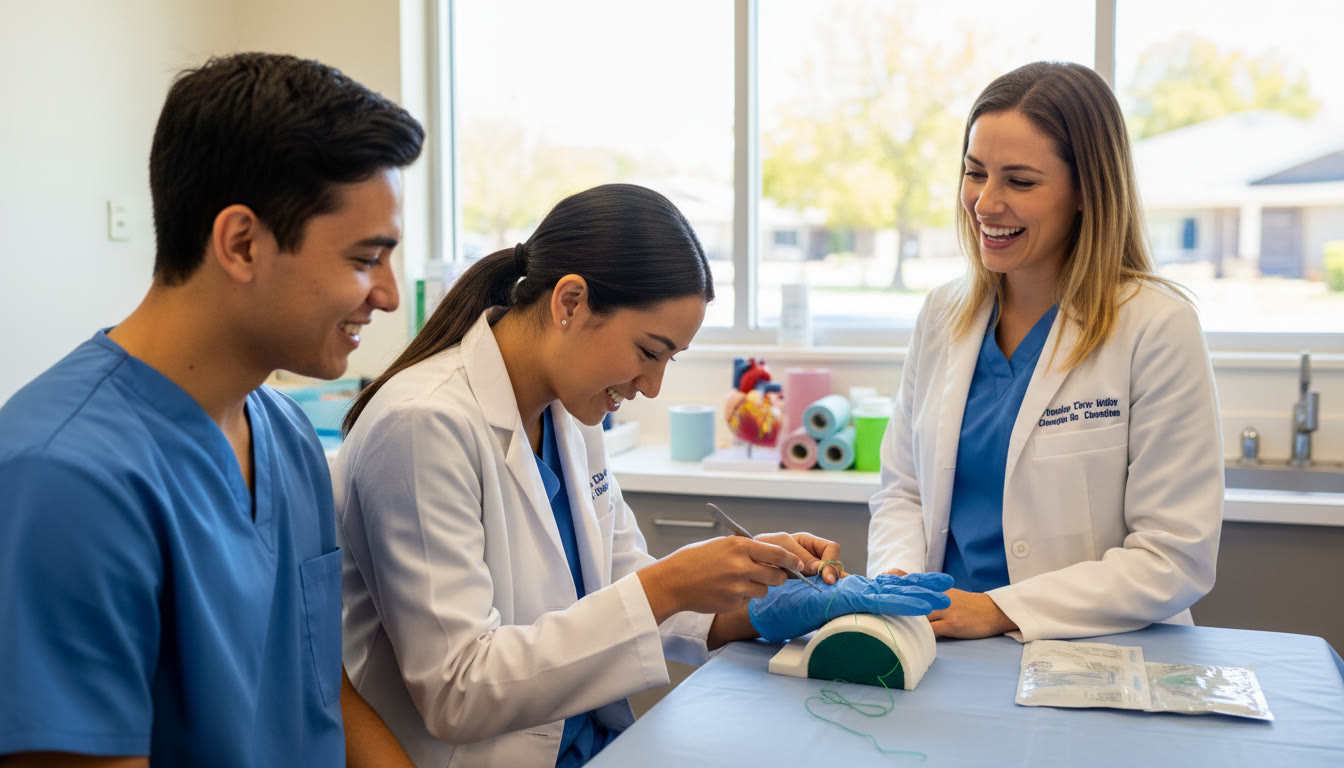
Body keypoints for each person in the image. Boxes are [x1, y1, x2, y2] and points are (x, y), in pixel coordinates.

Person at [335, 182, 953, 767]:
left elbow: (615, 582)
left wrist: (751, 603)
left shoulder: (570, 410)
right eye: (648, 352)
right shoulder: (423, 425)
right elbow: (459, 689)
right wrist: (670, 585)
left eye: (669, 360)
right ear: (570, 303)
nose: (652, 387)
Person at [0, 53, 424, 766]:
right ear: (242, 243)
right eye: (365, 258)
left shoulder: (284, 434)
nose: (386, 295)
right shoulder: (64, 479)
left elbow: (320, 692)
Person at [867, 61, 1223, 643]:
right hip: (942, 644)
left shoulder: (1155, 324)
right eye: (974, 173)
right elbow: (904, 491)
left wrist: (1000, 609)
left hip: (1096, 653)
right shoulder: (941, 315)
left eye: (1020, 181)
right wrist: (898, 582)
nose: (985, 203)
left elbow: (1173, 556)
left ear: (1086, 190)